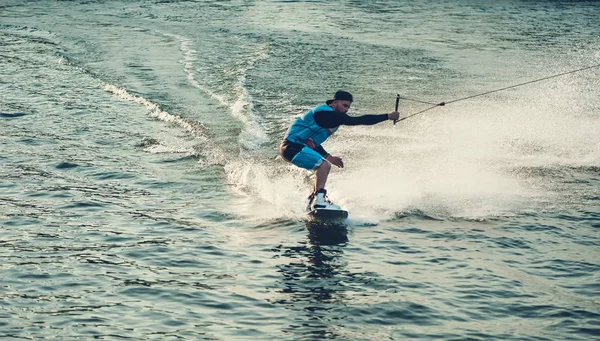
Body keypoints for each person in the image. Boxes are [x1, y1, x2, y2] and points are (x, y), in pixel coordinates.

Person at [280, 90, 400, 210]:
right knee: (324, 165)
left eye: (348, 107)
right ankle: (319, 201)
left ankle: (313, 201)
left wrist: (329, 157)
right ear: (334, 102)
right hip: (291, 146)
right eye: (344, 105)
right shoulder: (323, 112)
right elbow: (358, 120)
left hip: (295, 148)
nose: (346, 110)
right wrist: (388, 116)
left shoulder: (333, 121)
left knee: (322, 167)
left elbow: (312, 143)